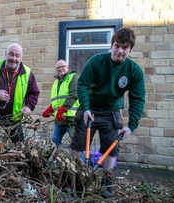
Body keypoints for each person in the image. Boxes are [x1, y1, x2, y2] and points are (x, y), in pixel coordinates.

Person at [70, 27, 145, 198]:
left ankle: (107, 183)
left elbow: (137, 99)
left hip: (111, 111)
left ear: (130, 50)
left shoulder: (134, 71)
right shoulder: (96, 61)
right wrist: (86, 108)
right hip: (89, 107)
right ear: (111, 46)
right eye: (117, 46)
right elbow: (83, 84)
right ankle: (75, 180)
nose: (120, 51)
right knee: (78, 144)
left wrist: (131, 126)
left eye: (125, 47)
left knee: (112, 147)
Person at [41, 59, 79, 146]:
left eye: (63, 66)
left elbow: (73, 95)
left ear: (67, 67)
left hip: (72, 119)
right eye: (58, 67)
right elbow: (57, 101)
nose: (60, 69)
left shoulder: (74, 77)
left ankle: (81, 160)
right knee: (54, 143)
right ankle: (52, 159)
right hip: (60, 119)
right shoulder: (56, 82)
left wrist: (62, 110)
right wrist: (50, 110)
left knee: (76, 143)